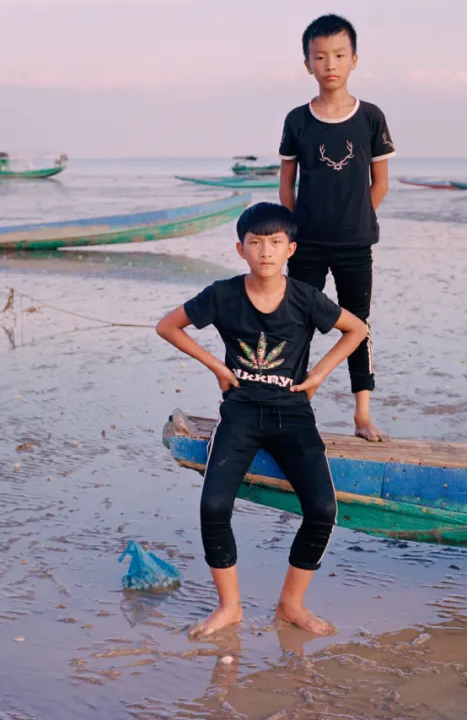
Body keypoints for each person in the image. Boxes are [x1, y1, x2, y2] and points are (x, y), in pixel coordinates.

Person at [156, 202, 368, 638]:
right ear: (240, 249)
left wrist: (318, 375)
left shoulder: (305, 297)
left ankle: (292, 604)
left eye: (275, 243)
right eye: (256, 243)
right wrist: (217, 367)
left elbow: (357, 329)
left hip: (293, 416)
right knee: (214, 505)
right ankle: (229, 607)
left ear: (291, 248)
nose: (265, 252)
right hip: (241, 412)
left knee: (323, 508)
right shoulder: (223, 294)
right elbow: (168, 326)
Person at [279, 13, 395, 443]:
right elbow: (286, 183)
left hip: (354, 245)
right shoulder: (297, 120)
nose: (330, 64)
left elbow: (379, 183)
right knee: (297, 323)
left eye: (339, 55)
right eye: (320, 56)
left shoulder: (370, 118)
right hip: (305, 243)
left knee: (358, 325)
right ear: (307, 64)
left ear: (354, 60)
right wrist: (290, 232)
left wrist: (357, 218)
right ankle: (294, 407)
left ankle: (362, 415)